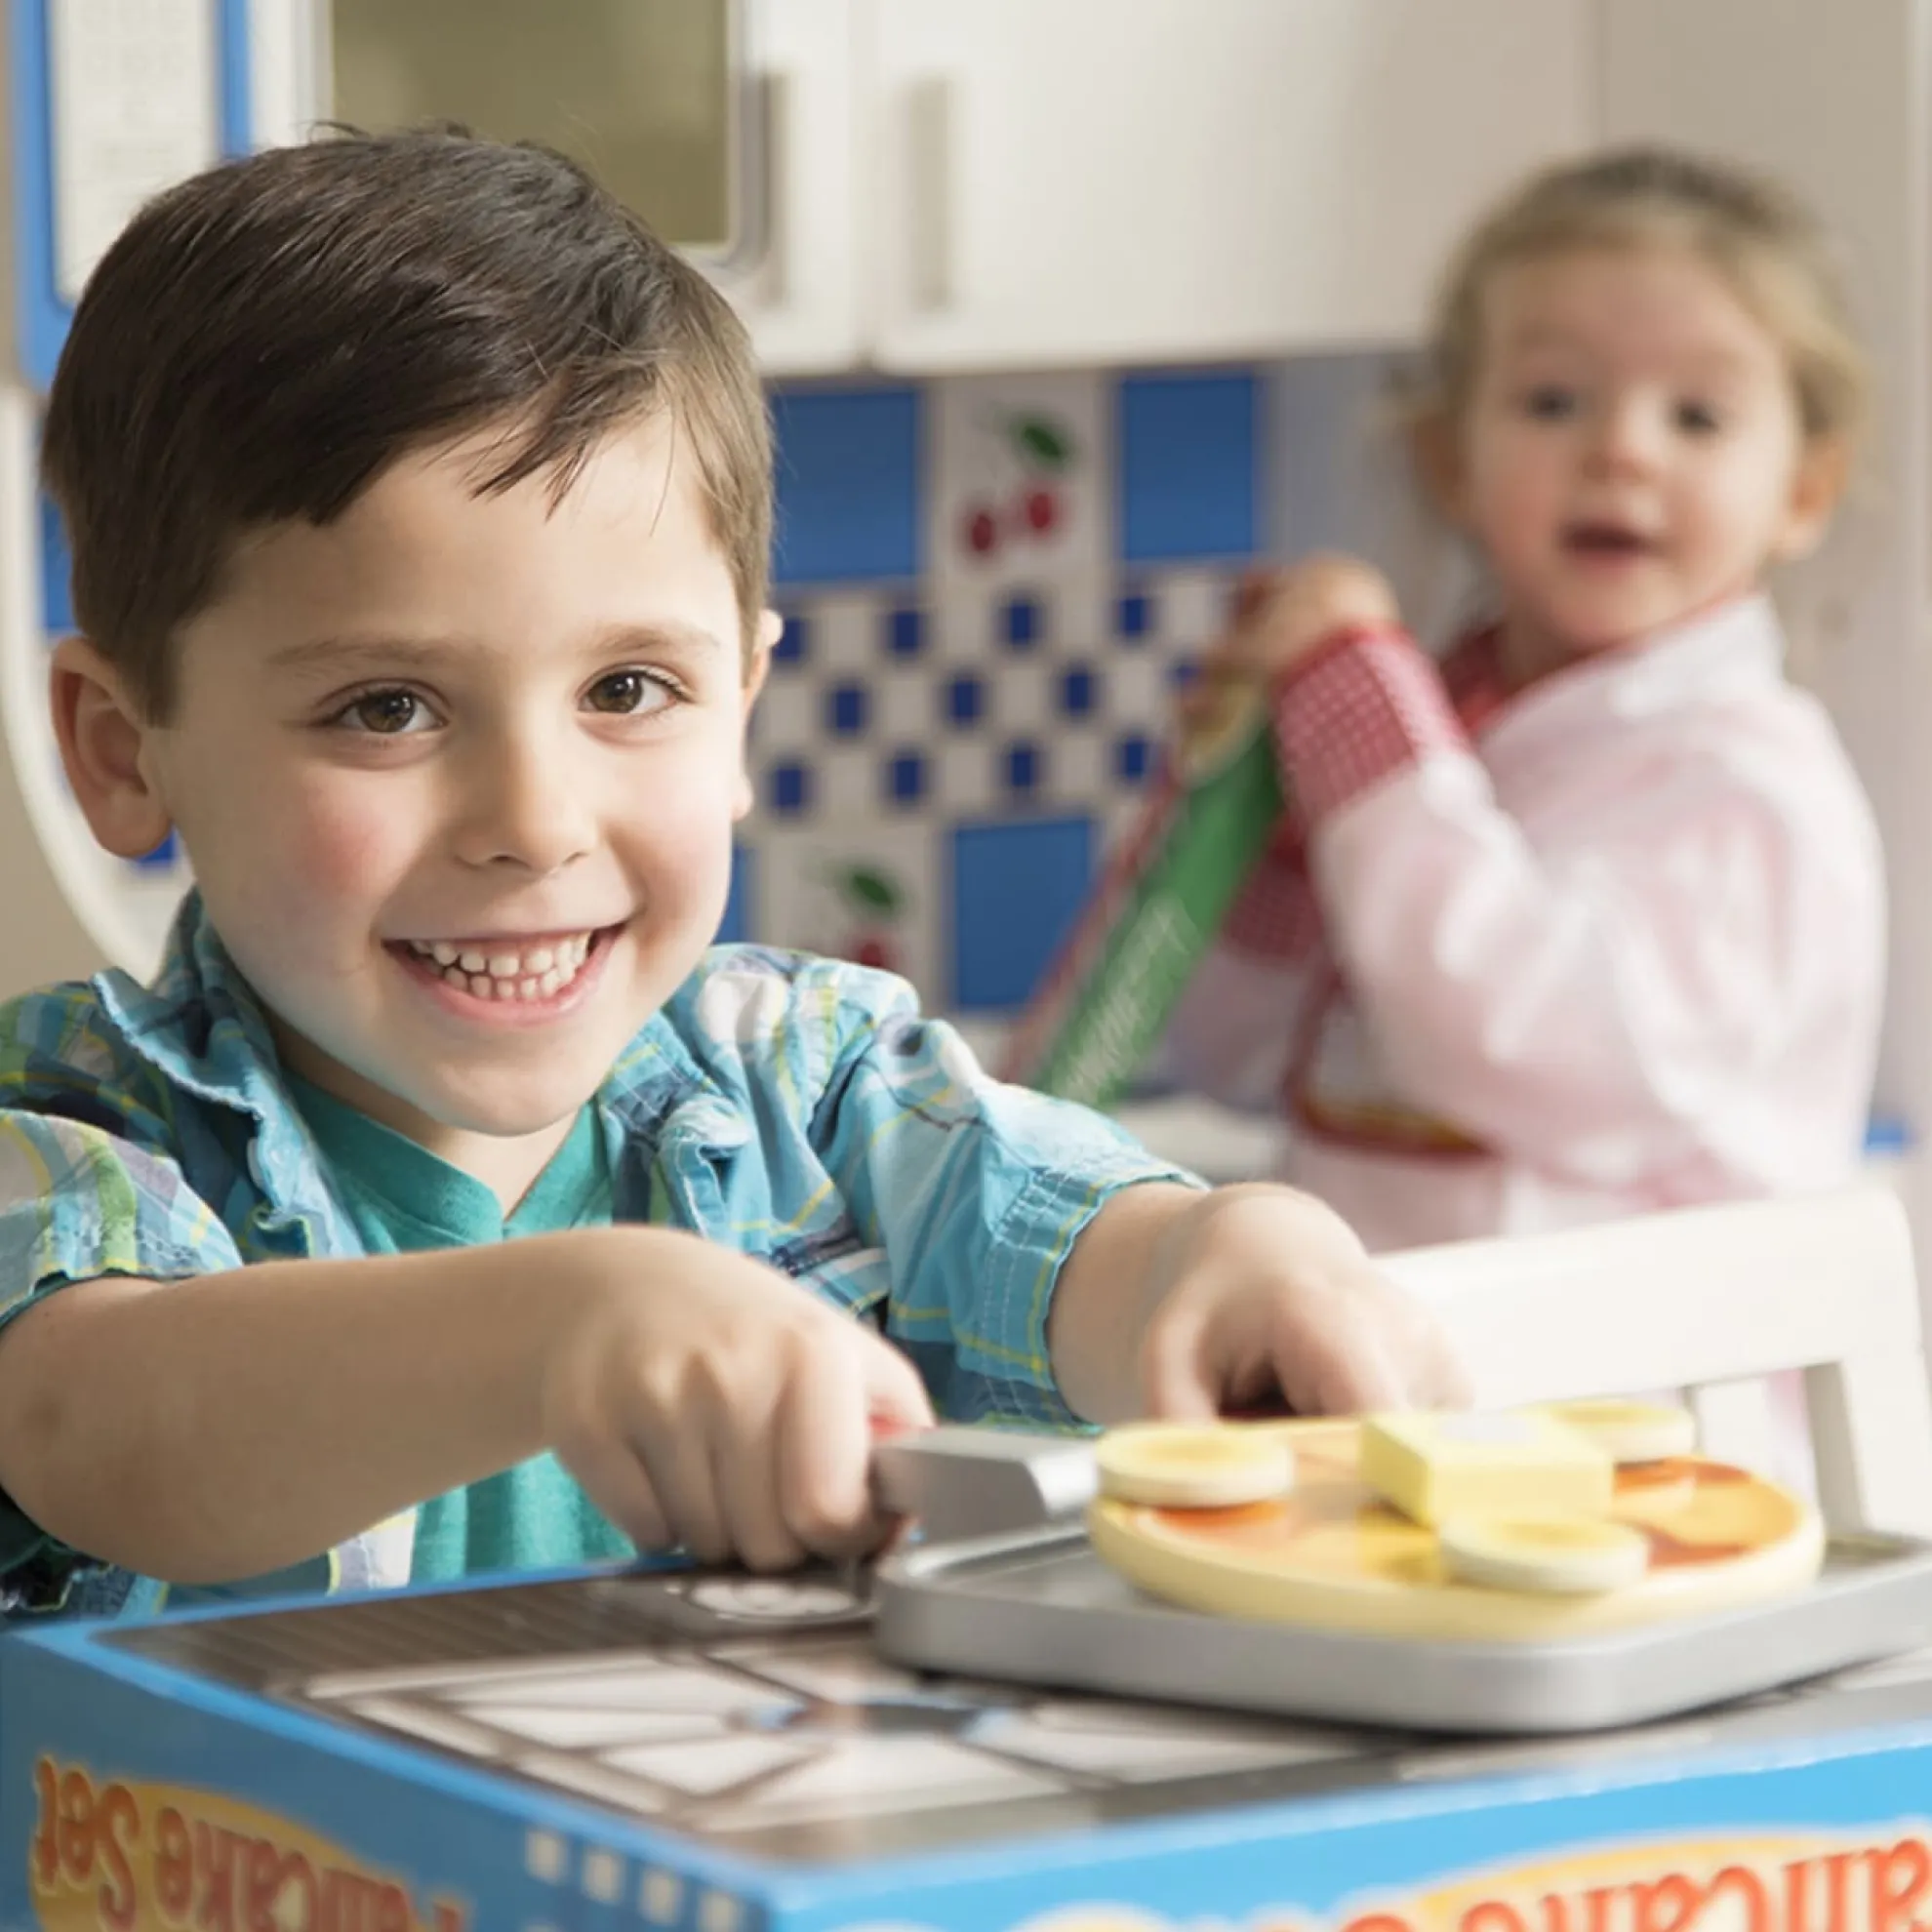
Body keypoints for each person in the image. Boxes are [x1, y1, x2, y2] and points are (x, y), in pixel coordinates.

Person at [0, 131, 1461, 1622]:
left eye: (629, 690)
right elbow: (102, 1425)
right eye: (388, 708)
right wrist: (566, 1327)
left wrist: (1235, 1253)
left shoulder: (810, 1090)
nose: (536, 821)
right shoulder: (68, 1127)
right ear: (124, 750)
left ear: (743, 703)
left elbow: (1072, 1239)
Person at [1168, 146, 1884, 1253]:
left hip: (1645, 1410)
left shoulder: (1749, 785)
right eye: (1554, 399)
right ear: (1451, 459)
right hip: (1392, 1386)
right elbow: (1229, 1055)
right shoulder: (1438, 731)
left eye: (1697, 417)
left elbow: (1519, 1040)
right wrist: (1273, 834)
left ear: (1803, 491)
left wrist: (1366, 750)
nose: (1621, 451)